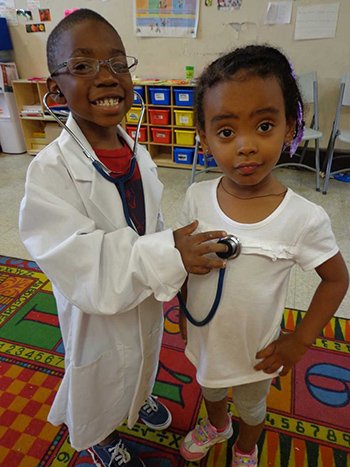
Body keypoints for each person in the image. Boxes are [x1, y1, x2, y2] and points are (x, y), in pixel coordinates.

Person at [18, 9, 228, 467]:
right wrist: (167, 252)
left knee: (143, 353)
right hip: (95, 310)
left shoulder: (137, 151)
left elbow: (148, 222)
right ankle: (96, 431)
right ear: (55, 89)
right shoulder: (49, 172)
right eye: (83, 65)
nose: (106, 77)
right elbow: (82, 260)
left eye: (117, 63)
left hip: (143, 294)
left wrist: (171, 254)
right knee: (99, 371)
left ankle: (136, 399)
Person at [177, 45, 349, 466]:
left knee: (252, 409)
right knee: (211, 390)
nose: (246, 146)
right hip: (206, 339)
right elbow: (184, 261)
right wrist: (183, 315)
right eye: (226, 132)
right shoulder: (195, 197)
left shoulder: (304, 218)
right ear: (204, 137)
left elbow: (336, 279)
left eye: (265, 125)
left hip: (259, 353)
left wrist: (300, 341)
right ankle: (217, 426)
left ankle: (245, 446)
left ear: (290, 127)